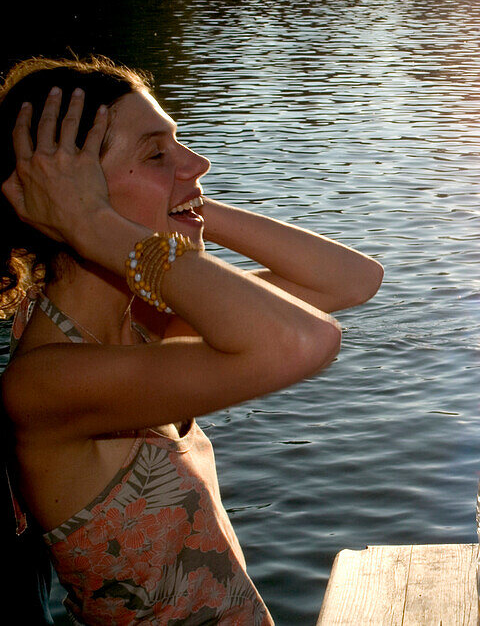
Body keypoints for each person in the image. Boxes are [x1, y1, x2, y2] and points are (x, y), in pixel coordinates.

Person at [0, 56, 384, 624]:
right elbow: (302, 341)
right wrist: (95, 223)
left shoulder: (139, 325)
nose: (198, 162)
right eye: (156, 153)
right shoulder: (46, 381)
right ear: (69, 195)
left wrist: (184, 202)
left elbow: (351, 280)